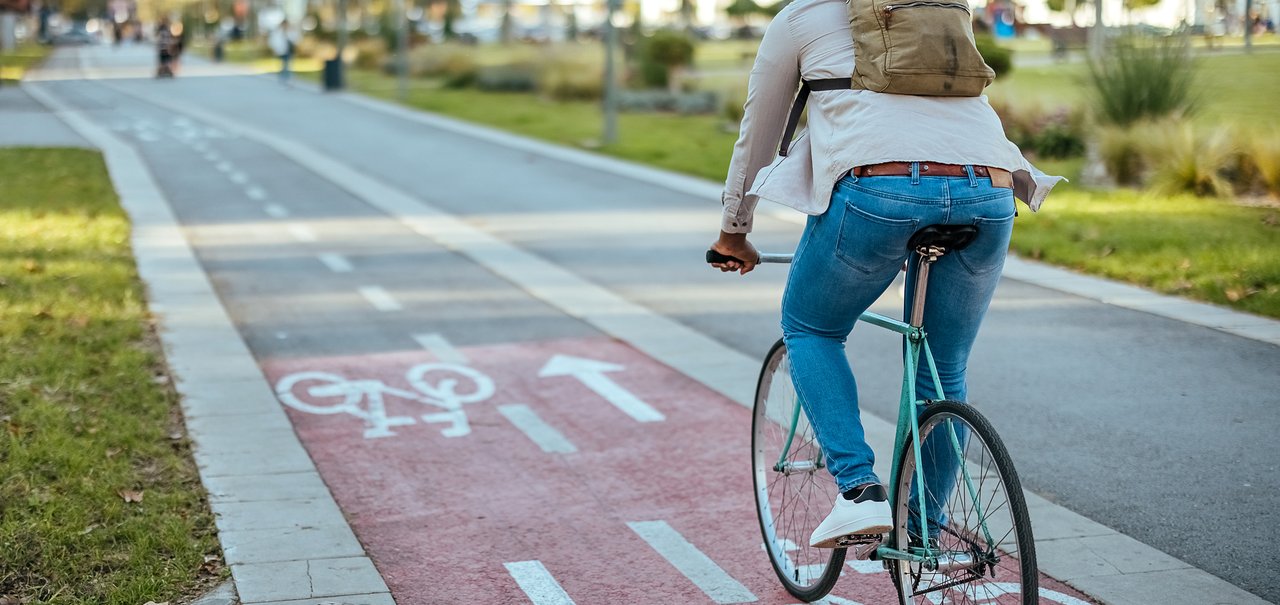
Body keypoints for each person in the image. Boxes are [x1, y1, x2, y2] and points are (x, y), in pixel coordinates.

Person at [709, 0, 1060, 549]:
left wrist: (734, 230)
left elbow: (760, 133)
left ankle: (858, 495)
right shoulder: (940, 6)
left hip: (879, 192)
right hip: (990, 191)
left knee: (811, 328)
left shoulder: (802, 17)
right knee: (943, 368)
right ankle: (920, 541)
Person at [268, 19, 298, 84]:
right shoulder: (278, 32)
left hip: (289, 51)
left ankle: (287, 79)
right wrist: (275, 49)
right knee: (282, 65)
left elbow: (295, 40)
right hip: (281, 51)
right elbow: (274, 42)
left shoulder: (290, 31)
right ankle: (283, 78)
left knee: (287, 65)